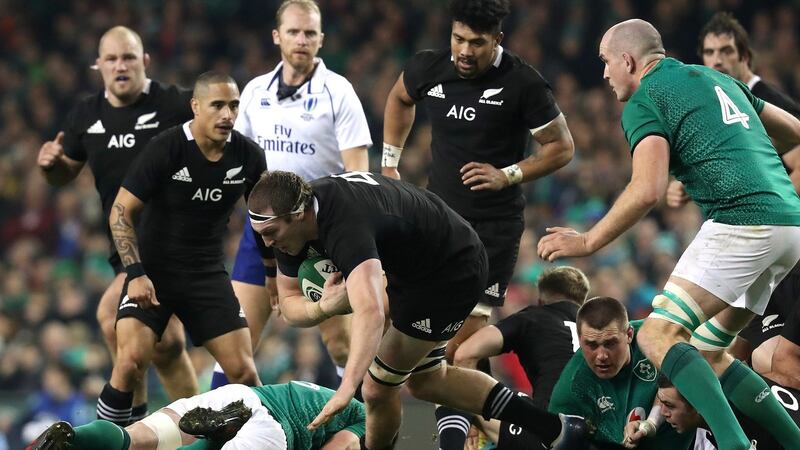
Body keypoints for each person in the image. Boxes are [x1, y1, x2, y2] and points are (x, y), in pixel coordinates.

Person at [537, 18, 800, 450]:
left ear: (628, 60)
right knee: (710, 353)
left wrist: (587, 242)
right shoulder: (718, 79)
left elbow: (647, 190)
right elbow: (792, 129)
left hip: (743, 221)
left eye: (605, 62)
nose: (603, 74)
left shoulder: (645, 99)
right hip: (789, 225)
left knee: (657, 334)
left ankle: (735, 445)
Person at [247, 170, 591, 450]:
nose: (267, 243)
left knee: (375, 387)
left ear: (299, 215)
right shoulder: (286, 224)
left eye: (272, 233)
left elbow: (371, 312)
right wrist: (325, 306)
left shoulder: (344, 224)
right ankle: (555, 430)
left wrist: (346, 387)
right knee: (428, 382)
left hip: (451, 269)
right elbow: (289, 305)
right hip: (412, 269)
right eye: (260, 233)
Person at [381, 0, 574, 374]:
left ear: (497, 39)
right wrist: (390, 162)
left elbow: (562, 147)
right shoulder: (428, 67)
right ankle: (465, 424)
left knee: (460, 350)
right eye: (459, 39)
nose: (465, 51)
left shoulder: (523, 82)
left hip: (491, 230)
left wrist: (508, 174)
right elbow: (399, 97)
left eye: (477, 43)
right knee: (394, 322)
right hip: (437, 223)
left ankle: (479, 426)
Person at [35, 26, 198, 424]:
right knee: (168, 346)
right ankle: (205, 423)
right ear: (98, 65)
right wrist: (52, 166)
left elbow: (218, 135)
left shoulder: (175, 104)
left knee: (112, 316)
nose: (120, 66)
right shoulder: (85, 115)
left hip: (171, 242)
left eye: (128, 57)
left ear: (145, 61)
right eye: (111, 59)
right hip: (124, 247)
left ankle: (133, 422)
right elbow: (63, 175)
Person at [213, 0, 372, 389]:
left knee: (340, 344)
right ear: (276, 37)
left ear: (321, 40)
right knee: (236, 346)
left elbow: (359, 173)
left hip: (320, 235)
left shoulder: (339, 92)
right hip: (264, 232)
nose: (301, 40)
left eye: (310, 33)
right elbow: (245, 169)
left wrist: (350, 240)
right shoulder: (253, 93)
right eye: (294, 32)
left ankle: (357, 430)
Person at [102, 71, 269, 427]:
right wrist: (135, 273)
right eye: (218, 105)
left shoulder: (249, 157)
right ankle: (111, 440)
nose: (227, 114)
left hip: (206, 275)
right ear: (195, 107)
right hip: (155, 274)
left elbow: (264, 221)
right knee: (130, 361)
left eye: (234, 106)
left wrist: (274, 274)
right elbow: (121, 210)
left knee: (244, 373)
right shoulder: (167, 148)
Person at [679, 11, 800, 391]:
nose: (717, 60)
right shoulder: (717, 101)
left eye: (726, 51)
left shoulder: (766, 102)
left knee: (772, 357)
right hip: (755, 238)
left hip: (776, 237)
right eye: (710, 52)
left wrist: (771, 211)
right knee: (746, 354)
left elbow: (797, 160)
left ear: (745, 57)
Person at [446, 266, 590, 450]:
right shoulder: (598, 329)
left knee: (448, 376)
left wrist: (472, 420)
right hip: (598, 434)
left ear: (541, 299)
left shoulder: (533, 318)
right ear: (583, 301)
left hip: (551, 434)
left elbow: (464, 354)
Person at [28, 381, 365, 450]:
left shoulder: (333, 394)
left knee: (140, 437)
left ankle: (75, 437)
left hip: (242, 395)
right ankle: (221, 435)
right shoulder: (367, 419)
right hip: (276, 430)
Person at [548, 296, 692, 450]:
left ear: (629, 334)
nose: (601, 356)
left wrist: (652, 422)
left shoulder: (657, 338)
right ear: (580, 339)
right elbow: (554, 439)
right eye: (591, 345)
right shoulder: (572, 388)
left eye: (610, 343)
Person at [624, 375, 800, 450]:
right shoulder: (730, 394)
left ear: (698, 403)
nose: (664, 412)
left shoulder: (749, 423)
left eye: (669, 405)